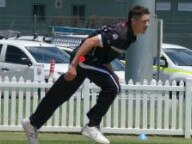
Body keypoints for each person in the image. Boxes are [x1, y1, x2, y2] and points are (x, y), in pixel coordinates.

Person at [21, 5, 150, 144]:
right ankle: (92, 125)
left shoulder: (130, 37)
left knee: (59, 95)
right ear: (133, 21)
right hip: (83, 58)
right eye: (144, 21)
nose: (147, 24)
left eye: (148, 21)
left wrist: (112, 74)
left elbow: (105, 56)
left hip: (90, 60)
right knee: (113, 88)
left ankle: (32, 123)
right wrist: (73, 65)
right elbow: (89, 42)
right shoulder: (120, 32)